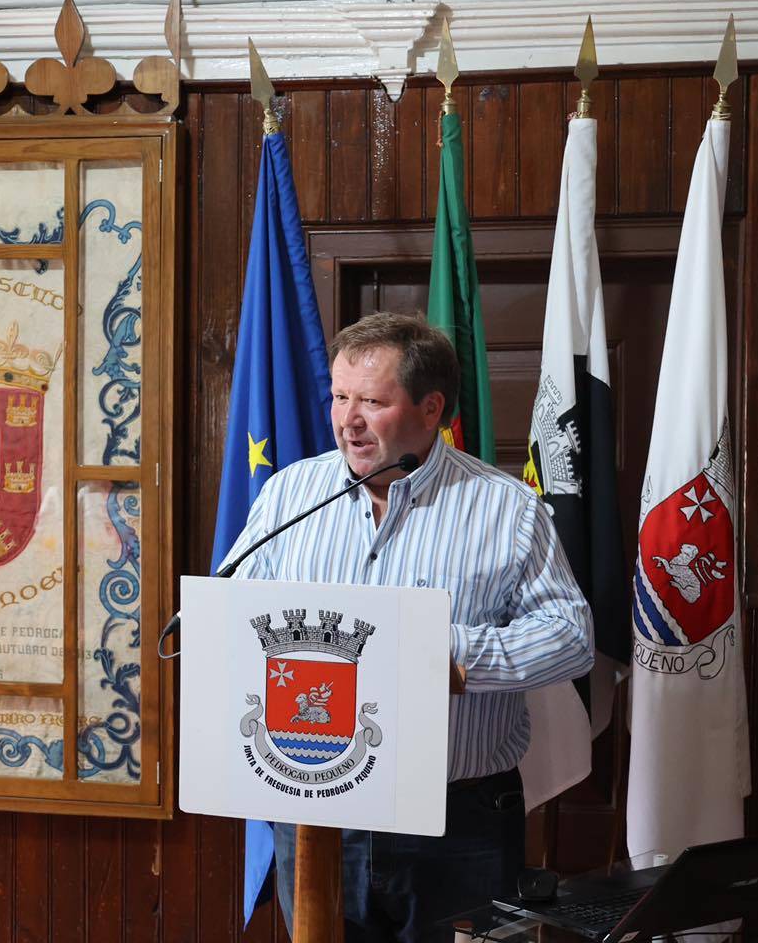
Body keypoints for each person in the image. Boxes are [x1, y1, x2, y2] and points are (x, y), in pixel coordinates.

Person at [220, 312, 594, 942]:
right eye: (339, 397)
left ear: (431, 408)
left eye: (371, 401)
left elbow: (571, 636)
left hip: (457, 822)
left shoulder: (505, 508)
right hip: (318, 811)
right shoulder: (290, 495)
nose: (347, 420)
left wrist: (448, 656)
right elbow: (236, 614)